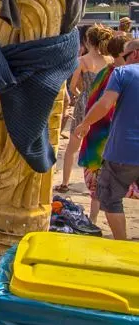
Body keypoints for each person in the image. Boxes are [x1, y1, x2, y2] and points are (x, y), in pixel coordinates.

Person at [75, 38, 139, 240]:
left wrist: (85, 123)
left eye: (124, 56)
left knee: (110, 197)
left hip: (123, 150)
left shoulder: (123, 73)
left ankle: (122, 243)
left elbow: (104, 105)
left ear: (134, 54)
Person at [56, 24, 113, 193]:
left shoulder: (82, 61)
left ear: (87, 41)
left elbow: (72, 87)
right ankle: (101, 184)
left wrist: (80, 93)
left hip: (85, 104)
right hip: (105, 104)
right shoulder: (110, 61)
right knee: (102, 145)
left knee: (72, 147)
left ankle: (65, 183)